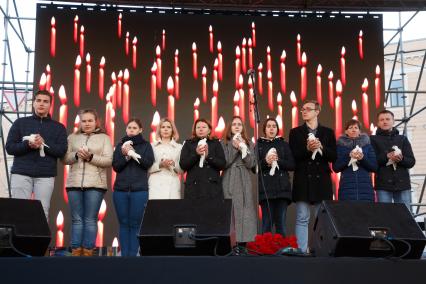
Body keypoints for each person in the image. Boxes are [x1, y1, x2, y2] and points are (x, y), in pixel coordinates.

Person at [6, 89, 67, 219]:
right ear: (33, 103)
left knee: (42, 211)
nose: (41, 104)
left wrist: (43, 144)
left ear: (50, 105)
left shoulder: (59, 127)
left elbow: (61, 151)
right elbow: (10, 147)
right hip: (21, 172)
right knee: (19, 210)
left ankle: (39, 240)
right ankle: (18, 240)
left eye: (45, 101)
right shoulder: (20, 123)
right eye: (38, 100)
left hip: (45, 175)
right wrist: (27, 145)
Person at [63, 109, 113, 257]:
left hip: (96, 184)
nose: (87, 123)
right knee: (76, 219)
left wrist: (91, 157)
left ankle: (88, 251)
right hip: (74, 183)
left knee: (90, 219)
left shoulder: (104, 138)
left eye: (90, 120)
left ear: (96, 121)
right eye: (84, 121)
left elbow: (109, 161)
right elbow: (64, 158)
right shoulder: (72, 137)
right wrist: (76, 155)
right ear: (80, 122)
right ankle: (76, 250)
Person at [289, 100, 336, 253]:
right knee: (302, 216)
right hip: (303, 179)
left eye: (308, 109)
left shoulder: (328, 132)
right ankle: (302, 250)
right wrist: (308, 148)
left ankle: (319, 250)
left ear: (317, 111)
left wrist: (321, 147)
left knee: (320, 219)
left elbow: (333, 156)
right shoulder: (295, 132)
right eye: (302, 109)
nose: (304, 111)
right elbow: (294, 156)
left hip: (321, 180)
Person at [112, 118, 154, 256]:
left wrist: (133, 153)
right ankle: (125, 255)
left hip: (139, 190)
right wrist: (125, 156)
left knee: (135, 224)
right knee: (124, 223)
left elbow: (148, 163)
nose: (131, 130)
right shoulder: (120, 146)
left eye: (134, 128)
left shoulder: (146, 145)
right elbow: (116, 166)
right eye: (129, 127)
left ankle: (133, 256)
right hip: (120, 190)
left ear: (140, 130)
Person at [221, 116, 257, 245]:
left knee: (245, 211)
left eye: (239, 124)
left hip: (244, 179)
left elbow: (251, 163)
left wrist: (243, 148)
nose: (237, 126)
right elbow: (224, 162)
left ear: (243, 127)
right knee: (231, 212)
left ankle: (244, 244)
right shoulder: (224, 142)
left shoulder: (249, 143)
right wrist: (234, 146)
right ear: (230, 127)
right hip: (229, 178)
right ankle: (230, 244)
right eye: (234, 124)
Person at [370, 110, 415, 211]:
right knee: (385, 217)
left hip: (402, 184)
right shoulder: (372, 139)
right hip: (383, 184)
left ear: (393, 121)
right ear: (378, 123)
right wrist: (387, 157)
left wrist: (401, 159)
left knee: (405, 216)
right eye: (382, 120)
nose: (385, 122)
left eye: (387, 119)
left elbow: (411, 161)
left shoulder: (402, 139)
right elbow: (372, 162)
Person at [257, 118, 295, 236]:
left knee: (281, 225)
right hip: (265, 191)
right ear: (264, 129)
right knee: (266, 224)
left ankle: (281, 252)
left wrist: (278, 160)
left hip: (282, 190)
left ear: (277, 129)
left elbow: (292, 165)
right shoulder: (259, 145)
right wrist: (266, 161)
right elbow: (254, 167)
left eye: (274, 126)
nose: (272, 128)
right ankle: (265, 251)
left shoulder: (283, 144)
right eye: (269, 126)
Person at [179, 118, 226, 200]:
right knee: (192, 212)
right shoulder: (188, 143)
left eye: (204, 127)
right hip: (193, 188)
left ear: (209, 130)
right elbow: (183, 165)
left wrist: (209, 156)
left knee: (212, 212)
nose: (201, 129)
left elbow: (222, 164)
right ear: (194, 130)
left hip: (212, 188)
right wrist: (196, 154)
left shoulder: (216, 143)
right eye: (198, 127)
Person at [332, 119, 377, 201]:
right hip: (346, 187)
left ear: (360, 131)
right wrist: (349, 157)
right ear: (346, 131)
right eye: (350, 127)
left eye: (356, 128)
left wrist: (362, 158)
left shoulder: (367, 146)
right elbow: (336, 168)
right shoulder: (339, 147)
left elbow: (374, 167)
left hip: (365, 188)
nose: (353, 129)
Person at [148, 118, 183, 199]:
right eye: (163, 127)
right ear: (159, 130)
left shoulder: (179, 147)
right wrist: (160, 165)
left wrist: (173, 164)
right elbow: (147, 167)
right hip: (155, 185)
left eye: (168, 127)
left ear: (172, 130)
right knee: (156, 210)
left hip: (172, 184)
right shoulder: (152, 146)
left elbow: (181, 170)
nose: (166, 129)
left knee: (172, 210)